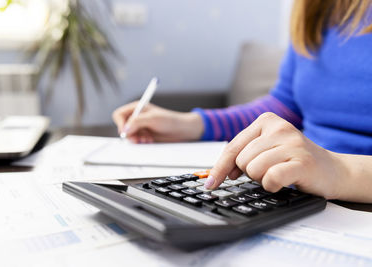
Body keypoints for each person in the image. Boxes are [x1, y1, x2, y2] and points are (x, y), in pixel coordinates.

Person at [113, 0, 372, 203]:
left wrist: (340, 171)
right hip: (298, 191)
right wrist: (190, 124)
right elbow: (286, 106)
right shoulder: (318, 7)